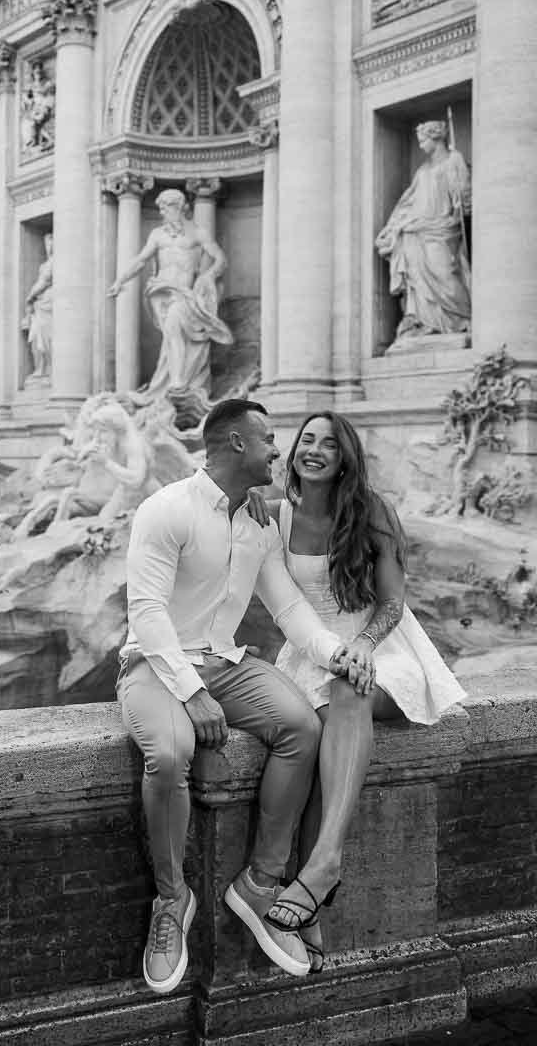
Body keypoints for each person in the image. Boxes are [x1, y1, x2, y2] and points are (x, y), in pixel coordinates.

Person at [119, 398, 354, 995]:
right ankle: (172, 902)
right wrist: (192, 692)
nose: (281, 451)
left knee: (303, 725)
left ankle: (260, 882)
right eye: (270, 438)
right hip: (155, 662)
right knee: (169, 756)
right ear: (236, 444)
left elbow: (288, 606)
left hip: (224, 661)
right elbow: (145, 613)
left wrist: (335, 654)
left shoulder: (259, 521)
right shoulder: (165, 509)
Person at [246, 412, 466, 971]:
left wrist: (364, 645)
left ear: (346, 458)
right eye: (306, 441)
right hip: (312, 653)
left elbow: (392, 602)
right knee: (317, 730)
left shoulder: (372, 512)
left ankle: (323, 865)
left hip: (380, 648)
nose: (313, 451)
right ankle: (311, 901)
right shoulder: (274, 517)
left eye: (328, 444)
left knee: (348, 694)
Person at [108, 189, 233, 404]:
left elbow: (220, 258)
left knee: (175, 325)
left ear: (178, 207)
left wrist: (209, 275)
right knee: (170, 337)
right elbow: (140, 260)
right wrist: (120, 281)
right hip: (160, 292)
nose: (162, 213)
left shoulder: (197, 232)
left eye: (165, 208)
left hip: (184, 293)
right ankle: (171, 382)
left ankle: (177, 382)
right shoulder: (158, 234)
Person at [375, 120, 471, 349]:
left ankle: (461, 318)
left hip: (443, 228)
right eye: (418, 141)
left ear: (437, 137)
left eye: (423, 140)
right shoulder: (422, 171)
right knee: (416, 277)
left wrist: (462, 194)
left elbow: (465, 198)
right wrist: (392, 228)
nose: (420, 146)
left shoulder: (454, 160)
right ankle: (423, 322)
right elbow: (407, 203)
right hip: (417, 230)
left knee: (444, 272)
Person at [22, 233, 54, 378]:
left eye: (52, 242)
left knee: (47, 336)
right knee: (36, 337)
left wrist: (30, 296)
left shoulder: (55, 263)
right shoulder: (44, 265)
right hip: (40, 305)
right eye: (46, 243)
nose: (49, 246)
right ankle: (41, 368)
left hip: (49, 303)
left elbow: (45, 281)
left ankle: (48, 368)